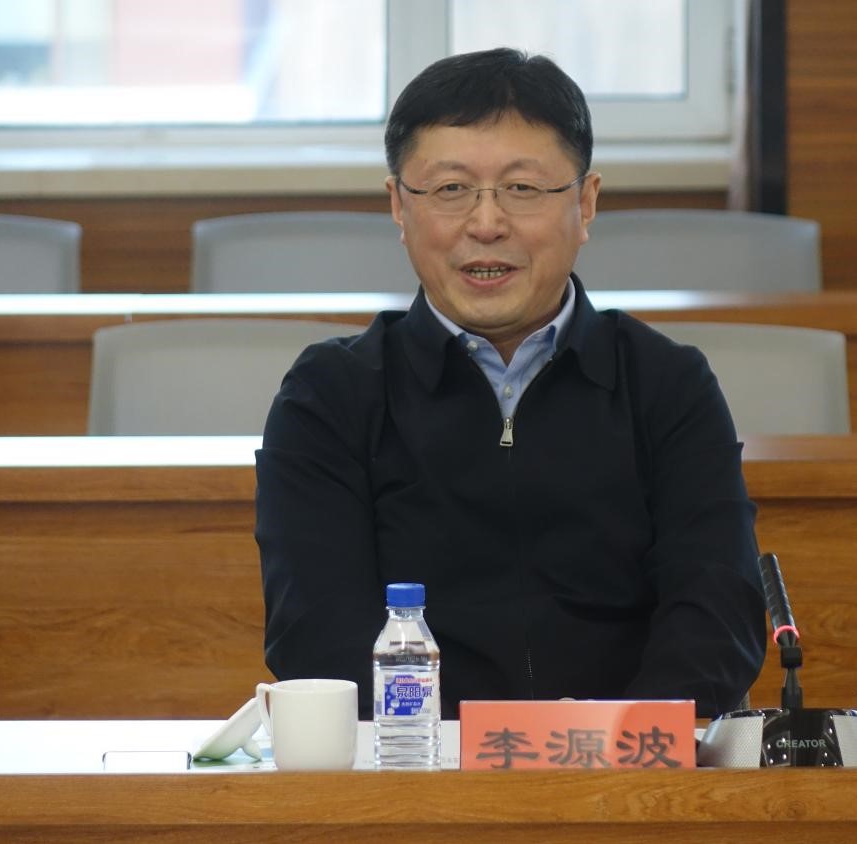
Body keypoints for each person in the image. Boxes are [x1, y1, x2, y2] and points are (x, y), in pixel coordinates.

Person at [256, 48, 765, 720]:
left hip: (628, 767)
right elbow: (314, 632)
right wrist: (453, 753)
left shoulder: (667, 384)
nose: (487, 223)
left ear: (586, 202)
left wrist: (614, 746)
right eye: (450, 189)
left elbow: (718, 613)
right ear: (399, 207)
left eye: (523, 189)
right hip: (415, 768)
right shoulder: (329, 394)